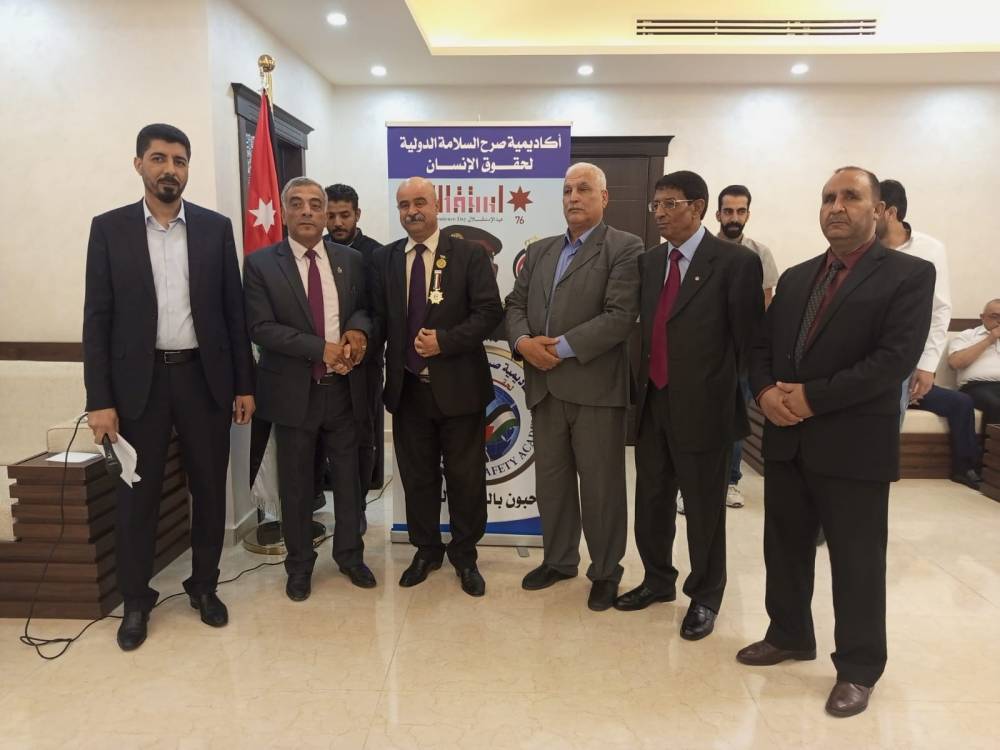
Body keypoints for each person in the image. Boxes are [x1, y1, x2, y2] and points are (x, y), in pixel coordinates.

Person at [738, 166, 934, 718]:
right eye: (828, 198)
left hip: (854, 445)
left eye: (851, 197)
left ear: (879, 210)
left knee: (857, 561)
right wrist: (765, 393)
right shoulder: (798, 277)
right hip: (788, 439)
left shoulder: (909, 275)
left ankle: (858, 667)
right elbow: (761, 347)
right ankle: (788, 634)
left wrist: (812, 398)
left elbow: (893, 360)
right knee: (784, 547)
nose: (836, 207)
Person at [83, 123, 255, 651]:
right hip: (139, 387)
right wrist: (99, 401)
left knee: (209, 490)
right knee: (136, 496)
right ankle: (136, 600)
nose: (170, 169)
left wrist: (243, 384)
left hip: (204, 380)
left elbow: (233, 312)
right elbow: (97, 319)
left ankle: (204, 586)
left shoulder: (214, 228)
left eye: (179, 161)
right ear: (139, 163)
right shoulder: (109, 229)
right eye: (159, 158)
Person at [614, 171, 763, 641]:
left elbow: (749, 343)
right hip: (654, 402)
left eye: (670, 204)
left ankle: (705, 596)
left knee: (703, 512)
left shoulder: (735, 263)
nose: (659, 213)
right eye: (655, 204)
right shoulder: (651, 261)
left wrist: (728, 394)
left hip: (705, 410)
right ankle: (657, 580)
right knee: (652, 502)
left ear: (697, 208)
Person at [505, 162, 643, 612]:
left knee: (601, 488)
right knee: (553, 483)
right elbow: (515, 305)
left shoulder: (624, 247)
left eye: (584, 189)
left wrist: (557, 349)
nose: (573, 198)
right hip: (544, 388)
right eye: (567, 190)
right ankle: (559, 560)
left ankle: (605, 571)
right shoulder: (540, 251)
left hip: (595, 389)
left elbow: (619, 317)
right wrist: (524, 343)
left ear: (605, 197)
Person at [370, 176, 503, 597]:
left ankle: (465, 555)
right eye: (404, 204)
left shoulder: (469, 254)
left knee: (466, 478)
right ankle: (426, 550)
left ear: (437, 204)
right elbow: (377, 317)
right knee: (418, 478)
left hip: (460, 388)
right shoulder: (385, 259)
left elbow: (489, 313)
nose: (412, 211)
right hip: (408, 390)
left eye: (420, 202)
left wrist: (444, 342)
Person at [243, 177, 375, 602]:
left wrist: (358, 332)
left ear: (324, 213)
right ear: (284, 211)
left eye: (316, 205)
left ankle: (350, 556)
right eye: (297, 203)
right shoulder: (261, 264)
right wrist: (321, 348)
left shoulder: (351, 260)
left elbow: (364, 309)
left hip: (344, 390)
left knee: (350, 480)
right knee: (297, 485)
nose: (307, 211)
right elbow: (261, 327)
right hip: (293, 393)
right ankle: (299, 566)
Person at [877, 179, 980, 488]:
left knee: (886, 431)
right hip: (860, 353)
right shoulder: (863, 246)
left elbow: (939, 310)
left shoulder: (930, 250)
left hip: (902, 359)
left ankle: (873, 491)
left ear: (889, 212)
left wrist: (927, 365)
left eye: (872, 210)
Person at [324, 184, 385, 521]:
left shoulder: (376, 254)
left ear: (357, 214)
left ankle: (357, 507)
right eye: (331, 215)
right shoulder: (315, 251)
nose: (337, 222)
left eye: (344, 215)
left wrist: (360, 340)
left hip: (364, 365)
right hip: (320, 364)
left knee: (362, 436)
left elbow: (381, 311)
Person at [715, 184, 777, 509]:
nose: (734, 218)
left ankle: (730, 481)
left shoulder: (759, 254)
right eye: (728, 211)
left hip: (742, 356)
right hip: (706, 353)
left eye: (740, 211)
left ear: (748, 214)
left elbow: (765, 304)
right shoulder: (704, 250)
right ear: (718, 214)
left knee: (735, 420)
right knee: (699, 419)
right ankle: (693, 483)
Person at [948, 299, 1000, 428]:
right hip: (976, 386)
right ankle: (992, 441)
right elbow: (955, 363)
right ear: (982, 317)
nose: (999, 321)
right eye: (995, 316)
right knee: (995, 404)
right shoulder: (967, 336)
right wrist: (990, 339)